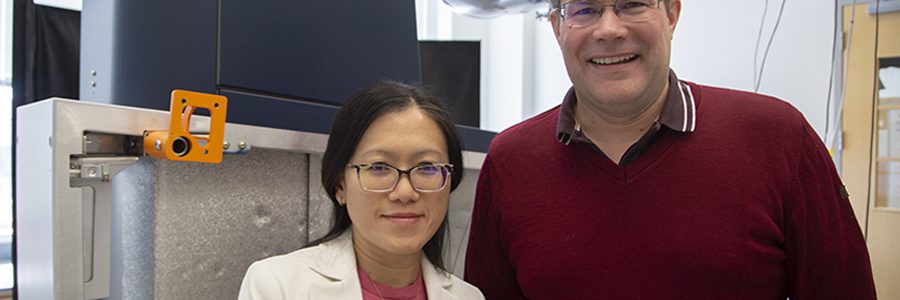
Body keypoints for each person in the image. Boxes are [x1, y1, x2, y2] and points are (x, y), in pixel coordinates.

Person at [464, 0, 877, 299]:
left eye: (632, 5)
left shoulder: (780, 138)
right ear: (557, 28)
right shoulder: (510, 161)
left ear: (672, 15)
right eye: (584, 10)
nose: (609, 29)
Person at [239, 81, 484, 300]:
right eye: (379, 167)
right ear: (340, 185)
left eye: (427, 168)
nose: (405, 192)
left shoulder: (469, 297)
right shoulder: (277, 287)